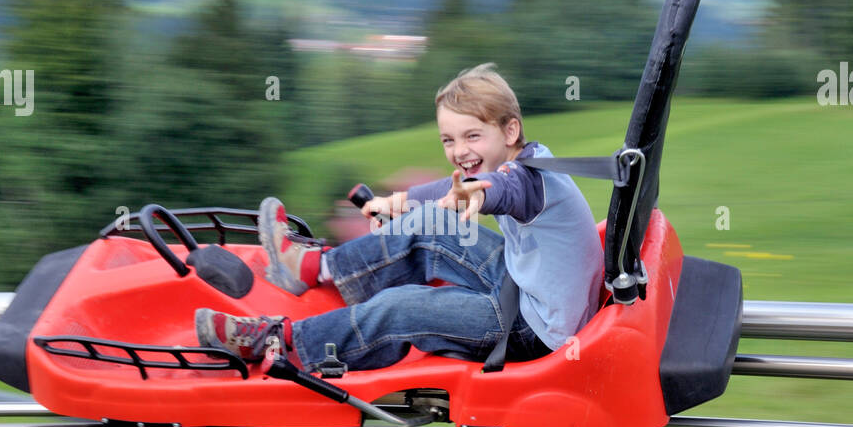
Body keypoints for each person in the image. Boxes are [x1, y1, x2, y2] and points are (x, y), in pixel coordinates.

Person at [195, 63, 604, 371]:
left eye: (472, 136)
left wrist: (477, 193)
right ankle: (309, 267)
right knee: (433, 222)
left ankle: (280, 343)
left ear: (510, 131)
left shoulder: (526, 180)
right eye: (449, 139)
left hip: (535, 330)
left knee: (401, 306)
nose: (460, 150)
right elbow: (450, 190)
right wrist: (395, 204)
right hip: (527, 288)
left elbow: (505, 191)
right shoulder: (527, 158)